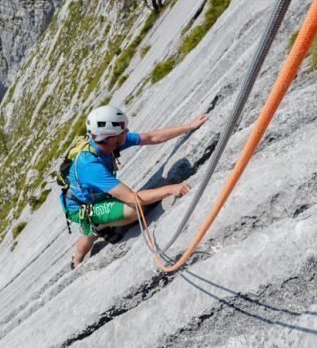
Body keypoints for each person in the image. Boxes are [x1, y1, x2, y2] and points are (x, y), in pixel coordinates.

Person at [63, 105, 208, 268]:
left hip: (95, 195)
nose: (127, 131)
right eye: (123, 131)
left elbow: (151, 137)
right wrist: (170, 189)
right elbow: (133, 198)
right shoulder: (91, 167)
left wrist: (188, 127)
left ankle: (97, 225)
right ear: (111, 138)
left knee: (126, 208)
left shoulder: (107, 142)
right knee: (133, 210)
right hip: (82, 209)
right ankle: (81, 252)